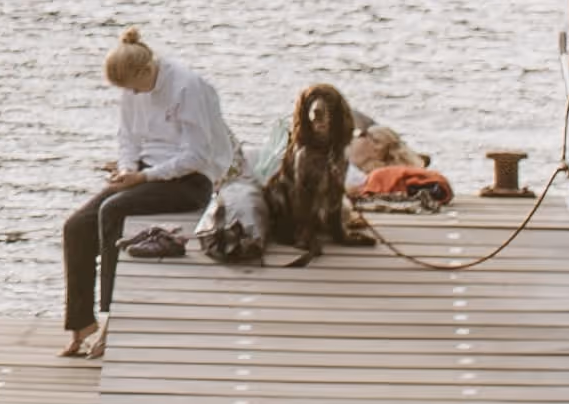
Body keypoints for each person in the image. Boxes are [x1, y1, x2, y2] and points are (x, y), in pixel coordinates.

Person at [62, 31, 243, 353]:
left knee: (112, 210)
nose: (131, 93)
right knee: (76, 226)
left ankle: (111, 318)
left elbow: (197, 156)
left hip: (191, 180)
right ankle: (81, 322)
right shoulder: (132, 89)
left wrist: (144, 177)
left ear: (146, 71)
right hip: (146, 173)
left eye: (133, 86)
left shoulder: (187, 87)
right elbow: (128, 139)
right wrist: (127, 169)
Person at [259, 82, 375, 267]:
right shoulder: (302, 151)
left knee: (336, 192)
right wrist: (306, 234)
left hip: (315, 205)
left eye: (326, 99)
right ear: (305, 109)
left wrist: (340, 234)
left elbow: (337, 192)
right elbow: (299, 193)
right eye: (312, 100)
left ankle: (338, 232)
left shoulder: (339, 149)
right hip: (290, 206)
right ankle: (301, 234)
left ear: (336, 110)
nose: (317, 107)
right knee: (278, 192)